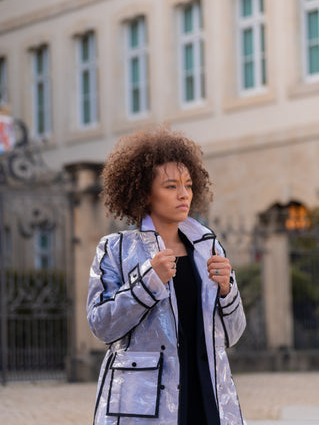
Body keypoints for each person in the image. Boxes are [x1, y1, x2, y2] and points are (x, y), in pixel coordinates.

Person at [87, 126, 246, 425]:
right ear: (144, 194)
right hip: (145, 405)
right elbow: (102, 326)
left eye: (187, 184)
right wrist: (148, 282)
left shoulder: (207, 247)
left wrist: (227, 290)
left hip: (209, 397)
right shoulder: (115, 250)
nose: (184, 194)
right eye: (171, 186)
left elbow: (234, 334)